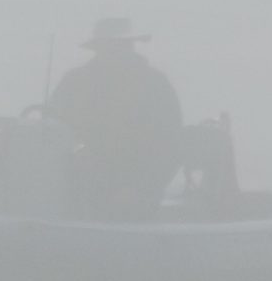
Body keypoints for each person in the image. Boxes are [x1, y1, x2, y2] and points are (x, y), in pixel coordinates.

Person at [45, 17, 185, 221]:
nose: (117, 50)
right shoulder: (73, 82)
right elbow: (51, 132)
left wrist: (139, 190)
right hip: (75, 190)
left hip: (137, 195)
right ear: (98, 47)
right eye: (111, 45)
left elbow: (170, 145)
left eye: (122, 44)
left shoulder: (155, 85)